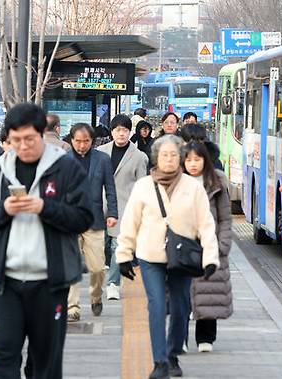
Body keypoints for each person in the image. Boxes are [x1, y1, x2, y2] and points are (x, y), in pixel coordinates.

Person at [0, 103, 93, 379]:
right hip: (4, 282)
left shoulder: (66, 169)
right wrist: (3, 211)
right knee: (2, 356)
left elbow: (84, 217)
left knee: (45, 362)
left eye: (29, 139)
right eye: (15, 140)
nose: (23, 146)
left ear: (42, 134)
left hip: (50, 282)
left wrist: (45, 207)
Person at [116, 134, 219, 379]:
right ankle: (160, 361)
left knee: (182, 306)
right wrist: (123, 254)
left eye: (174, 155)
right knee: (157, 305)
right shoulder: (143, 186)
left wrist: (211, 258)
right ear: (156, 158)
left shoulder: (193, 187)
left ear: (181, 158)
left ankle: (173, 353)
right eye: (165, 155)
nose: (170, 159)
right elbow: (130, 221)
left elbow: (206, 224)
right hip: (150, 255)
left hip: (182, 256)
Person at [182, 141, 233, 353]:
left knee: (209, 292)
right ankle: (180, 338)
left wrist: (222, 245)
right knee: (181, 294)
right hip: (182, 245)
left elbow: (225, 218)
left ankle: (206, 337)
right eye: (189, 160)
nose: (193, 164)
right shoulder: (175, 181)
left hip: (210, 246)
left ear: (205, 160)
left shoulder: (217, 181)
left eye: (197, 159)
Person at [67, 122, 118, 321]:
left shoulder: (103, 160)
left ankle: (96, 296)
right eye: (78, 141)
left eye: (86, 141)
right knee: (71, 266)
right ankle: (72, 306)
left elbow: (110, 189)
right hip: (69, 221)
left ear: (93, 141)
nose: (81, 145)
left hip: (95, 220)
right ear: (71, 140)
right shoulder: (62, 160)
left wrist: (112, 213)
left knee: (97, 267)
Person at [98, 114, 149, 301]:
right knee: (100, 246)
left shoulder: (139, 157)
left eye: (125, 130)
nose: (121, 134)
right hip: (99, 205)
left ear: (130, 132)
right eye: (118, 130)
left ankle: (113, 283)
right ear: (111, 132)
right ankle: (103, 279)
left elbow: (143, 185)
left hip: (124, 207)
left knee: (117, 246)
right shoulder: (101, 152)